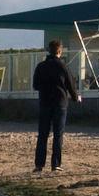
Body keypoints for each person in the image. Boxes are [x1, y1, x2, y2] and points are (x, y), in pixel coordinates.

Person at [30, 40, 83, 173]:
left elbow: (35, 85)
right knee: (58, 134)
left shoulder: (40, 66)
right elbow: (71, 85)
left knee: (43, 134)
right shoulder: (63, 66)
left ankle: (39, 165)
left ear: (49, 50)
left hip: (45, 103)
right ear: (60, 51)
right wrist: (76, 98)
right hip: (60, 103)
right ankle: (55, 164)